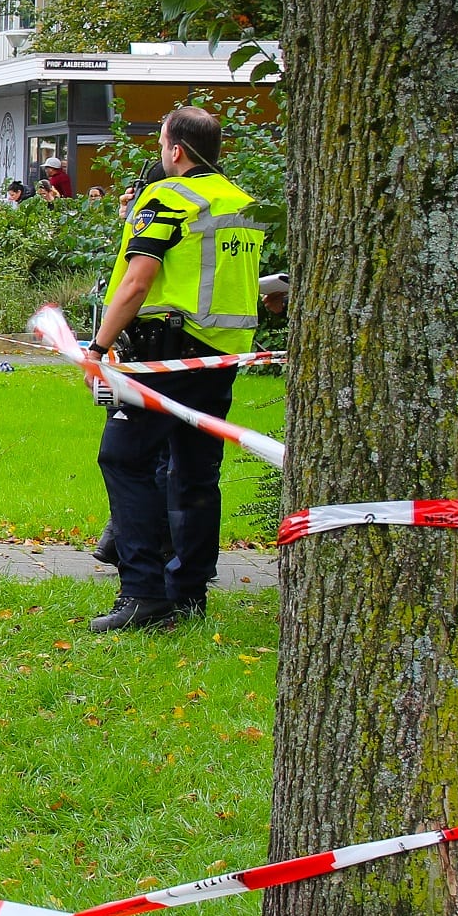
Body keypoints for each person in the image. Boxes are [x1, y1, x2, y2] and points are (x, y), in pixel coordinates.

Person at [81, 106, 264, 633]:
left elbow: (138, 281)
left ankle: (142, 591)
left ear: (176, 149)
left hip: (168, 351)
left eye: (161, 144)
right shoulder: (239, 201)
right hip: (221, 355)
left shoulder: (167, 196)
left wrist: (97, 347)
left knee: (123, 457)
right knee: (195, 470)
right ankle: (188, 595)